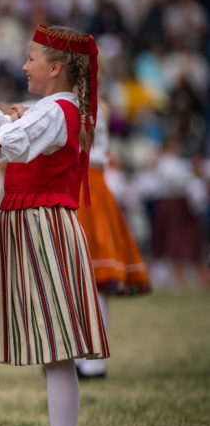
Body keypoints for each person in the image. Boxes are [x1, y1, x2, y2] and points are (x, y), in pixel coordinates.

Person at [0, 24, 109, 426]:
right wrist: (11, 120)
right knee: (54, 349)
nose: (23, 66)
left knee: (55, 346)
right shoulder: (57, 107)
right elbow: (21, 133)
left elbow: (7, 144)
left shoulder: (55, 109)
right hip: (39, 221)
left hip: (41, 223)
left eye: (31, 59)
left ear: (55, 68)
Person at [74, 100, 150, 379]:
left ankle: (92, 361)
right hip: (82, 185)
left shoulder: (87, 106)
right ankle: (84, 359)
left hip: (85, 187)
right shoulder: (88, 104)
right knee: (85, 280)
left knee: (94, 277)